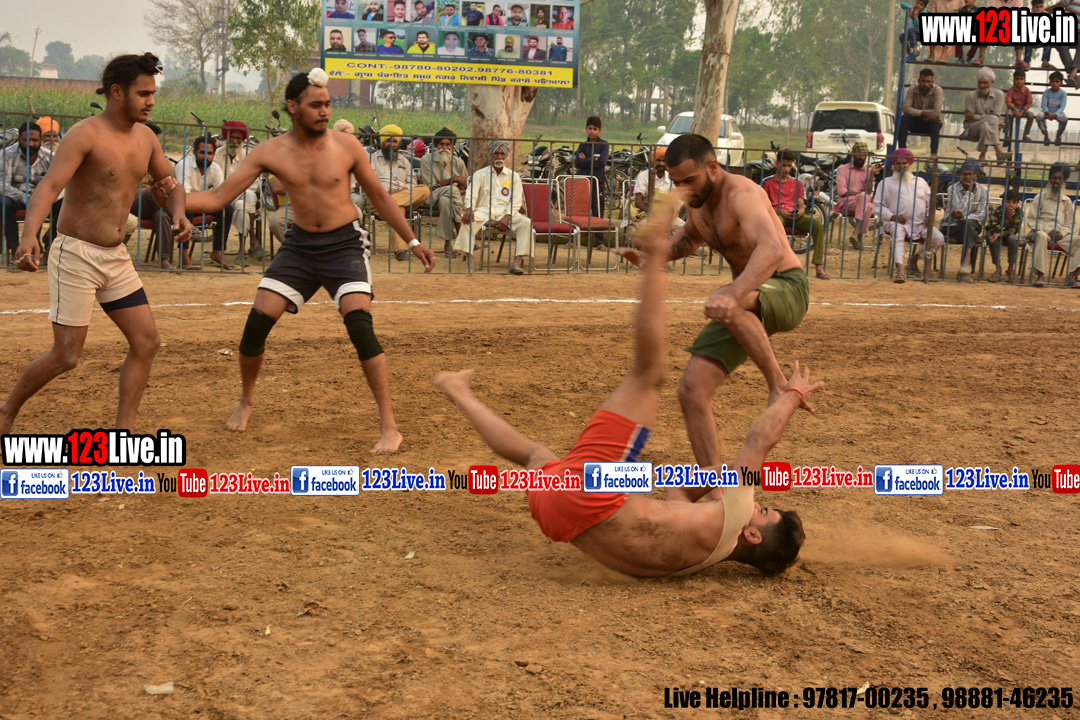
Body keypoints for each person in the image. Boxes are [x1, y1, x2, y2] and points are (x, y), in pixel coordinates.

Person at [434, 195, 815, 578]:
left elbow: (759, 440)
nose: (757, 504)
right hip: (556, 515)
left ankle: (654, 258)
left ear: (752, 535)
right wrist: (721, 473)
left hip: (589, 497)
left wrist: (792, 395)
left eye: (764, 511)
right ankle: (458, 391)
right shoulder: (697, 557)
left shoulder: (735, 516)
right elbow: (678, 492)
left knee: (648, 374)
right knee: (535, 456)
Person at [179, 69, 436, 449]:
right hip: (299, 247)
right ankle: (246, 401)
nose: (324, 111)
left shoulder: (347, 146)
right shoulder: (270, 152)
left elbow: (380, 198)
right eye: (316, 105)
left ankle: (389, 425)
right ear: (293, 106)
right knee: (255, 325)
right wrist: (175, 199)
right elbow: (219, 197)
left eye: (327, 104)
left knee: (360, 325)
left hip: (344, 245)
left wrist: (413, 241)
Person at [0, 53, 191, 436]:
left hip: (116, 258)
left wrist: (180, 212)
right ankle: (6, 412)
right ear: (117, 92)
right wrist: (28, 235)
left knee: (147, 342)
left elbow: (170, 184)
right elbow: (48, 188)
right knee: (66, 356)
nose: (151, 101)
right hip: (77, 255)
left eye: (153, 93)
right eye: (143, 93)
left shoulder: (147, 138)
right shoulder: (85, 134)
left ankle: (125, 432)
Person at [614, 134, 812, 470]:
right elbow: (691, 237)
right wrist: (653, 258)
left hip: (787, 288)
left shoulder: (742, 194)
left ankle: (778, 385)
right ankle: (715, 490)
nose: (683, 190)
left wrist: (732, 293)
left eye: (689, 180)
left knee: (729, 302)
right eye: (676, 182)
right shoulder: (696, 199)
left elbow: (771, 249)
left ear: (713, 167)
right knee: (691, 391)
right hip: (744, 304)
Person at [454, 140, 534, 274]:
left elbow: (516, 201)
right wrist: (469, 209)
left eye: (502, 154)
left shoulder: (513, 176)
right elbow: (471, 194)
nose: (499, 157)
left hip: (506, 212)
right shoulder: (480, 174)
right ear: (491, 155)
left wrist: (507, 217)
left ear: (506, 156)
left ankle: (516, 262)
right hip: (483, 211)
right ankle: (470, 260)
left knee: (526, 223)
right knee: (467, 221)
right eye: (496, 154)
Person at [871, 147, 944, 282]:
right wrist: (893, 217)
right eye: (898, 163)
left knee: (938, 238)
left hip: (920, 223)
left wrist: (929, 216)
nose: (902, 166)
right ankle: (900, 269)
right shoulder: (885, 183)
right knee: (898, 233)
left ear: (910, 164)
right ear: (894, 165)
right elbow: (877, 206)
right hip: (896, 222)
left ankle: (914, 260)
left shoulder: (920, 182)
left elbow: (930, 203)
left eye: (904, 163)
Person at [361, 124, 431, 260]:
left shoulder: (404, 161)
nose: (392, 144)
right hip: (377, 201)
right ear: (383, 142)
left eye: (395, 141)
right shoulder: (371, 160)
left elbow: (412, 183)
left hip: (404, 198)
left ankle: (391, 201)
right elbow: (367, 184)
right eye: (389, 141)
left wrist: (402, 191)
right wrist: (384, 194)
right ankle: (400, 250)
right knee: (397, 208)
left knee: (425, 189)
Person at [1, 121, 62, 263]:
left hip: (43, 199)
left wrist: (45, 199)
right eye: (26, 140)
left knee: (64, 204)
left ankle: (50, 250)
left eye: (35, 140)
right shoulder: (7, 154)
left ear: (40, 140)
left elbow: (59, 184)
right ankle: (15, 250)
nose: (30, 144)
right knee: (3, 203)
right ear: (19, 139)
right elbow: (3, 184)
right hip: (17, 198)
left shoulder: (49, 156)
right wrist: (26, 198)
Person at [764, 149, 829, 280]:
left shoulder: (797, 183)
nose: (787, 169)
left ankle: (818, 266)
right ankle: (781, 263)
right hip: (776, 215)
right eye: (784, 165)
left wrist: (801, 211)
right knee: (777, 224)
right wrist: (778, 211)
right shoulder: (767, 182)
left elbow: (801, 203)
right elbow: (762, 204)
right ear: (777, 164)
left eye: (789, 166)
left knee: (817, 224)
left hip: (794, 215)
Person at [175, 135, 235, 269]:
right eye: (202, 153)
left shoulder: (215, 168)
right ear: (194, 152)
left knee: (227, 209)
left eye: (210, 153)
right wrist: (209, 197)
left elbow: (221, 195)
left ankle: (218, 251)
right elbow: (184, 196)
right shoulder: (183, 166)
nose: (206, 157)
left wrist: (210, 199)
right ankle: (184, 254)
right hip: (182, 206)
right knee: (187, 206)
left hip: (204, 204)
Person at [1023, 163, 1080, 287]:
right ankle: (1040, 276)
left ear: (1064, 180)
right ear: (1050, 179)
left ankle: (1071, 276)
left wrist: (1062, 233)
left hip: (1060, 235)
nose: (1056, 181)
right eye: (1054, 178)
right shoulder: (1040, 197)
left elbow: (1070, 224)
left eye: (1060, 178)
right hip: (1041, 231)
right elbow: (1031, 220)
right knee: (1042, 236)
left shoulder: (1067, 201)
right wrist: (1047, 230)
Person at [215, 120, 263, 262]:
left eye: (238, 139)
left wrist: (236, 192)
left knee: (244, 202)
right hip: (221, 197)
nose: (235, 142)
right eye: (232, 138)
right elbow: (216, 182)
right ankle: (252, 239)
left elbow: (253, 183)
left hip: (242, 196)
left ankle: (242, 249)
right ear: (226, 138)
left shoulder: (248, 155)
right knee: (245, 202)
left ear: (242, 140)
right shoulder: (217, 155)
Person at [420, 127, 467, 257]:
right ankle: (462, 234)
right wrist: (454, 179)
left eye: (448, 144)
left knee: (446, 200)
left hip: (451, 199)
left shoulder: (458, 162)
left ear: (452, 146)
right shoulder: (426, 160)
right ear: (436, 145)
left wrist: (456, 191)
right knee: (452, 190)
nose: (444, 147)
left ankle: (448, 244)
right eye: (441, 144)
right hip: (430, 197)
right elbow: (432, 186)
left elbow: (466, 186)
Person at [938, 159, 988, 282]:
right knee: (971, 230)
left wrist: (965, 218)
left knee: (968, 224)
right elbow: (959, 210)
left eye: (971, 174)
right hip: (952, 226)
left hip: (971, 225)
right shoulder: (953, 189)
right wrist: (969, 192)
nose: (967, 177)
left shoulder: (983, 191)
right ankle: (966, 265)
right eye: (965, 174)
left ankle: (966, 263)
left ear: (976, 175)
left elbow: (981, 214)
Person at [832, 141, 880, 249]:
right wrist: (860, 194)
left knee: (868, 205)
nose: (861, 157)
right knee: (867, 202)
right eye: (858, 154)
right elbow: (842, 191)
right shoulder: (842, 169)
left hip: (862, 202)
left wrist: (872, 174)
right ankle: (858, 236)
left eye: (864, 155)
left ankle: (856, 234)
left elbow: (868, 192)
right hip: (847, 202)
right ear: (853, 155)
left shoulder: (868, 171)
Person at [575, 115, 610, 249]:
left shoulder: (603, 145)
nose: (592, 131)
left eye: (595, 129)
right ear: (586, 129)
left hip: (597, 182)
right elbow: (578, 162)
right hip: (582, 182)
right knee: (578, 211)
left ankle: (600, 242)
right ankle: (573, 240)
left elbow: (601, 162)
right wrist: (592, 160)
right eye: (590, 128)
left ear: (599, 130)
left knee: (598, 211)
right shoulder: (583, 145)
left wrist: (586, 159)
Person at [960, 67, 1010, 162]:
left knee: (985, 126)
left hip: (986, 127)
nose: (982, 85)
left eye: (985, 83)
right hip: (972, 127)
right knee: (993, 120)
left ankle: (982, 156)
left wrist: (975, 116)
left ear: (991, 83)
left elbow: (996, 114)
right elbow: (969, 118)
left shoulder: (999, 94)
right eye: (980, 83)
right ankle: (998, 151)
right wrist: (992, 122)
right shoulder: (971, 96)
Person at [629, 148, 684, 231]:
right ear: (652, 161)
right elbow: (638, 201)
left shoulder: (672, 177)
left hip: (667, 217)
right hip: (647, 216)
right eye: (658, 160)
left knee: (684, 229)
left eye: (664, 161)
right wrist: (652, 214)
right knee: (654, 229)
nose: (661, 163)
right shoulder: (643, 176)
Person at [898, 68, 942, 157]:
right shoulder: (912, 89)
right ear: (918, 81)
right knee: (904, 118)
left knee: (935, 120)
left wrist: (916, 111)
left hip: (929, 124)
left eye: (928, 82)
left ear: (932, 82)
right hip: (915, 123)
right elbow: (906, 108)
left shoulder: (937, 90)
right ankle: (902, 150)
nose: (925, 84)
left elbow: (937, 112)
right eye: (923, 81)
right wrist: (924, 113)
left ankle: (933, 153)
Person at [983, 190, 1022, 283]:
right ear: (1002, 203)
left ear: (1017, 204)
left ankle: (1010, 268)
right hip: (994, 232)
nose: (1010, 205)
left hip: (1007, 234)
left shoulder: (1019, 212)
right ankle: (998, 268)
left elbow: (1015, 229)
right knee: (992, 238)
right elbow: (993, 226)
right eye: (1007, 202)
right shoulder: (998, 210)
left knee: (1013, 239)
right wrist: (1006, 219)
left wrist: (1001, 233)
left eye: (1014, 202)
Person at [1036, 71, 1069, 146]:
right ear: (1050, 83)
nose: (1054, 83)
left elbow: (1062, 106)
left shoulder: (1063, 93)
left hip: (1058, 112)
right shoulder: (1046, 92)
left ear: (1061, 83)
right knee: (1039, 116)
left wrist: (1055, 114)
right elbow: (1044, 105)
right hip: (1046, 111)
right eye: (1052, 81)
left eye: (1057, 81)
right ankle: (1046, 135)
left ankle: (1058, 136)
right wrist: (1048, 113)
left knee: (1064, 119)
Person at [1007, 70, 1036, 142]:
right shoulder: (1011, 90)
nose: (1019, 81)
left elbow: (1029, 102)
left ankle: (1025, 134)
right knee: (1008, 114)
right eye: (1017, 79)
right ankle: (1006, 135)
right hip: (1013, 109)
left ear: (1024, 80)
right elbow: (1008, 101)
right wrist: (1014, 109)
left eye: (1021, 79)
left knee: (1031, 115)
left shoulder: (1027, 90)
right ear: (1014, 80)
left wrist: (1022, 111)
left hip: (1023, 109)